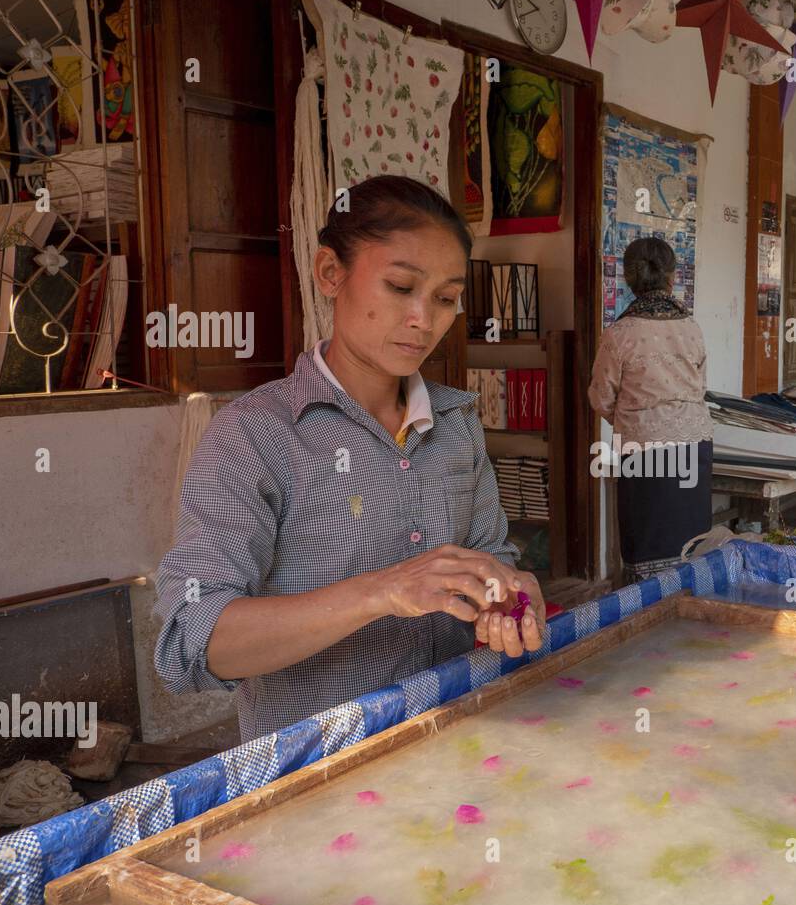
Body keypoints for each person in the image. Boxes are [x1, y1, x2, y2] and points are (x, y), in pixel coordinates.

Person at [155, 175, 544, 740]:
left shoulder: (457, 424)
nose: (424, 319)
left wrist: (511, 595)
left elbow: (491, 559)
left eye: (445, 299)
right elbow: (194, 641)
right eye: (400, 286)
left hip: (461, 735)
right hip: (319, 770)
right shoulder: (256, 435)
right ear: (330, 273)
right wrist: (383, 591)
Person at [589, 237, 713, 582]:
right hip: (693, 443)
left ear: (628, 279)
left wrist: (637, 420)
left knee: (646, 541)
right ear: (672, 277)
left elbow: (601, 397)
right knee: (688, 541)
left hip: (643, 446)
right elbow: (699, 387)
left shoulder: (618, 335)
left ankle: (643, 616)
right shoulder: (691, 328)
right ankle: (688, 608)